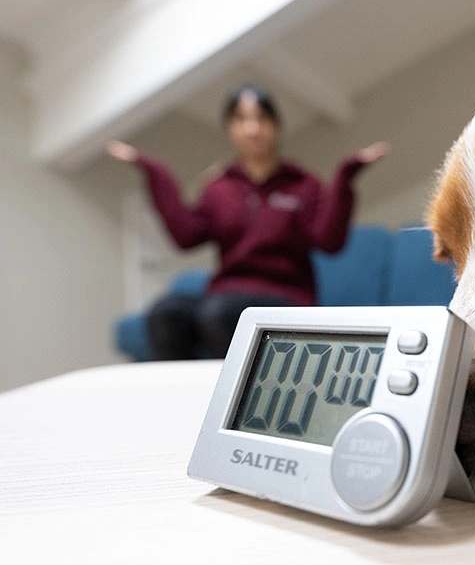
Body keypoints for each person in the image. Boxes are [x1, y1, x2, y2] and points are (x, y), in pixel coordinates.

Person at [108, 84, 390, 360]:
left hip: (286, 296)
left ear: (276, 126)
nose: (252, 129)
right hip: (224, 292)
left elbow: (329, 242)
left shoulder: (303, 184)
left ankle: (235, 405)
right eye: (242, 120)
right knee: (165, 313)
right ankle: (184, 400)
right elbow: (186, 236)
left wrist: (345, 178)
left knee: (218, 313)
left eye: (261, 119)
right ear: (230, 128)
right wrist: (155, 173)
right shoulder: (218, 187)